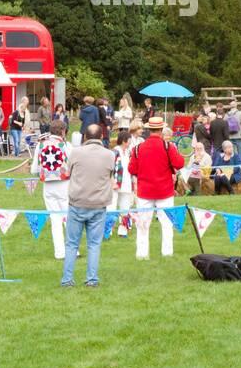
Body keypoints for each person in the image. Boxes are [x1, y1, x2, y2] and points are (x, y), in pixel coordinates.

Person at [61, 124, 116, 287]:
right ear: (101, 137)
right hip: (99, 204)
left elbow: (67, 172)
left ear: (85, 137)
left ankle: (67, 280)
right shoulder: (110, 155)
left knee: (71, 244)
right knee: (94, 244)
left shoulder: (76, 152)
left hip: (77, 202)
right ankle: (91, 279)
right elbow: (110, 174)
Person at [128, 115, 185, 259]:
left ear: (148, 130)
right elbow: (180, 163)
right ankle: (167, 253)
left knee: (142, 224)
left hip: (144, 191)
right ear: (161, 130)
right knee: (166, 224)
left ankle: (142, 254)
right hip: (164, 191)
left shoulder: (138, 148)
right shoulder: (168, 147)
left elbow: (131, 169)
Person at [33, 123, 72, 259]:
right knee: (68, 218)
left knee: (55, 219)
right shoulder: (66, 145)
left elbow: (34, 170)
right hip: (64, 183)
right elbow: (73, 164)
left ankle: (59, 252)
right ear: (62, 131)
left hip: (48, 186)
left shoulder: (41, 145)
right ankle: (73, 250)